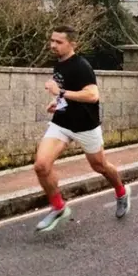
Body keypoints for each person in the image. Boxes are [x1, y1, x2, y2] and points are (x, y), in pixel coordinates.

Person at [34, 26, 131, 232]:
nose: (53, 45)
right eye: (52, 40)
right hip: (62, 122)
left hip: (85, 126)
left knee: (100, 166)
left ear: (72, 44)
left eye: (59, 42)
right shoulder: (58, 63)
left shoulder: (82, 66)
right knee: (41, 166)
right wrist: (57, 102)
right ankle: (59, 207)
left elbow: (92, 95)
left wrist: (60, 91)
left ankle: (121, 192)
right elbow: (68, 93)